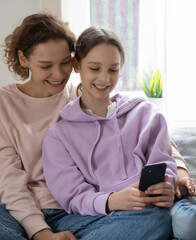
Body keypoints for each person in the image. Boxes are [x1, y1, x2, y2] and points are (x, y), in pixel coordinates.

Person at [0, 12, 196, 240]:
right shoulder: (1, 102)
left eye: (65, 63)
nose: (58, 75)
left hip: (74, 212)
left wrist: (180, 173)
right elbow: (6, 180)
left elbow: (153, 135)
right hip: (17, 213)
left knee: (154, 220)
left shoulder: (81, 93)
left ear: (75, 62)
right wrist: (41, 232)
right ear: (23, 59)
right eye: (46, 66)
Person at [42, 25, 177, 239]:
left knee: (168, 216)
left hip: (147, 210)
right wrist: (112, 200)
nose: (104, 79)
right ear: (77, 65)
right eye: (94, 69)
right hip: (93, 217)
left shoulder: (147, 114)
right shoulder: (59, 135)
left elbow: (165, 164)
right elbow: (73, 197)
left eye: (113, 69)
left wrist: (168, 187)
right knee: (158, 220)